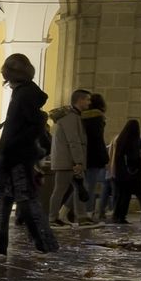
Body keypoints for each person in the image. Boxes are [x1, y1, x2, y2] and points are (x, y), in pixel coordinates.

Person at [0, 53, 58, 255]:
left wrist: (12, 148)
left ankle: (44, 241)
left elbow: (32, 125)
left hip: (16, 156)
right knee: (5, 199)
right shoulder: (23, 92)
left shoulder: (25, 94)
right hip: (13, 155)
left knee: (24, 200)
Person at [47, 89, 89, 225]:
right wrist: (78, 161)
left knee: (79, 188)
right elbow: (74, 140)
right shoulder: (70, 117)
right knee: (60, 190)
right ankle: (53, 218)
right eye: (87, 99)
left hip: (67, 159)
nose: (89, 102)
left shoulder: (73, 116)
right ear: (80, 100)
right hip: (67, 160)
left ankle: (81, 217)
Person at [109, 117, 141, 223]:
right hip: (130, 174)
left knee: (120, 195)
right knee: (126, 196)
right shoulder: (133, 142)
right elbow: (134, 158)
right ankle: (122, 217)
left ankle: (116, 215)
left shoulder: (120, 140)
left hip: (120, 173)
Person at [82, 92, 110, 220]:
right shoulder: (98, 118)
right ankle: (88, 213)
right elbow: (98, 139)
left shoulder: (81, 117)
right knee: (90, 187)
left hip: (81, 155)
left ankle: (69, 211)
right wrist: (104, 157)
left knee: (81, 186)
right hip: (94, 157)